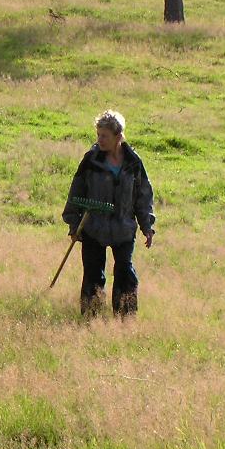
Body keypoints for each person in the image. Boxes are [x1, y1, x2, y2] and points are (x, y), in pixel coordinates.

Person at [63, 110, 156, 317]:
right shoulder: (91, 161)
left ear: (118, 136)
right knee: (93, 275)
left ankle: (125, 319)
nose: (99, 140)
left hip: (123, 227)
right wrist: (74, 225)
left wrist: (147, 226)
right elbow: (75, 192)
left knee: (125, 272)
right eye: (98, 135)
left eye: (104, 136)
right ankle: (91, 317)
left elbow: (143, 197)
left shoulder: (133, 163)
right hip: (93, 227)